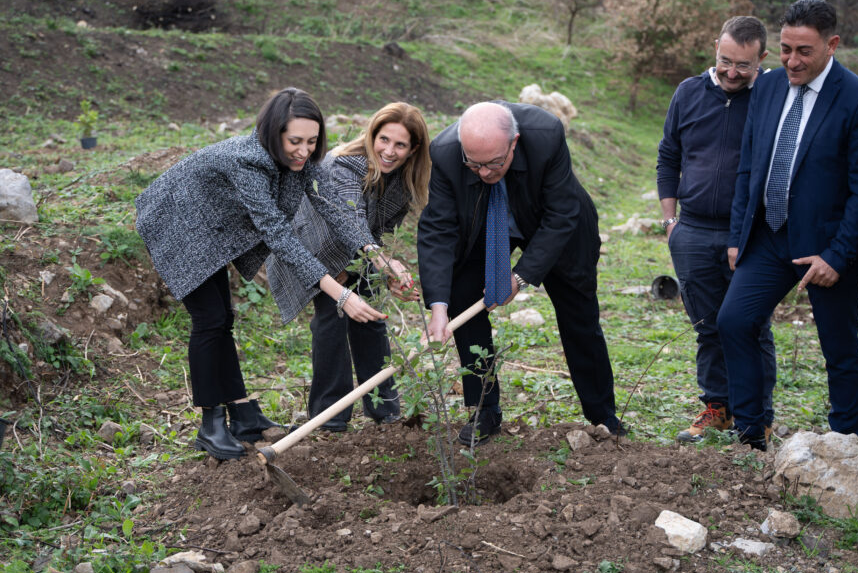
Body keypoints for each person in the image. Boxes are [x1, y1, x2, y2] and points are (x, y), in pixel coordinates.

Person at [135, 88, 385, 460]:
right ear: (274, 134)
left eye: (312, 142)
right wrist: (341, 294)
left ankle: (243, 414)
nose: (303, 151)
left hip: (213, 225)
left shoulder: (299, 163)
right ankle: (211, 424)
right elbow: (278, 235)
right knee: (210, 320)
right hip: (178, 221)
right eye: (294, 141)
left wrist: (375, 254)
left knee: (224, 318)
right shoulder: (248, 163)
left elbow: (332, 206)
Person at [717, 0, 858, 450]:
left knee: (839, 348)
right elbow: (749, 166)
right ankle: (751, 432)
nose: (791, 60)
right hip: (767, 238)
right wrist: (737, 236)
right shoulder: (766, 87)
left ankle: (847, 444)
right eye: (785, 48)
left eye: (803, 51)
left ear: (832, 45)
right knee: (733, 321)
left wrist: (837, 255)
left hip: (824, 249)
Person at [417, 101, 624, 446]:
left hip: (554, 223)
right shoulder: (446, 152)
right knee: (459, 293)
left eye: (494, 163)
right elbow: (437, 230)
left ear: (514, 142)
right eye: (474, 164)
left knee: (579, 313)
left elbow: (561, 214)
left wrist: (521, 276)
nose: (483, 173)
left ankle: (603, 415)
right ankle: (484, 408)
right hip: (486, 223)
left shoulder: (546, 135)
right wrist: (438, 305)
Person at [266, 102, 431, 432]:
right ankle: (330, 417)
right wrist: (381, 263)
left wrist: (382, 270)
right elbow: (349, 220)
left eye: (400, 145)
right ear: (372, 135)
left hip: (363, 249)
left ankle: (385, 410)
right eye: (383, 139)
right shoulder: (345, 166)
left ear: (413, 149)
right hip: (314, 247)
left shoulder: (402, 180)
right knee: (333, 318)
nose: (389, 151)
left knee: (372, 320)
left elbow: (374, 229)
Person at [657, 16, 778, 443]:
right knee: (707, 324)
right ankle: (718, 407)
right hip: (691, 231)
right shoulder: (688, 92)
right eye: (726, 60)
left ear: (762, 59)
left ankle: (759, 415)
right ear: (716, 48)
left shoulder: (771, 96)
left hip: (747, 234)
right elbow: (668, 155)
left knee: (751, 325)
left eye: (743, 65)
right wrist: (671, 221)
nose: (731, 72)